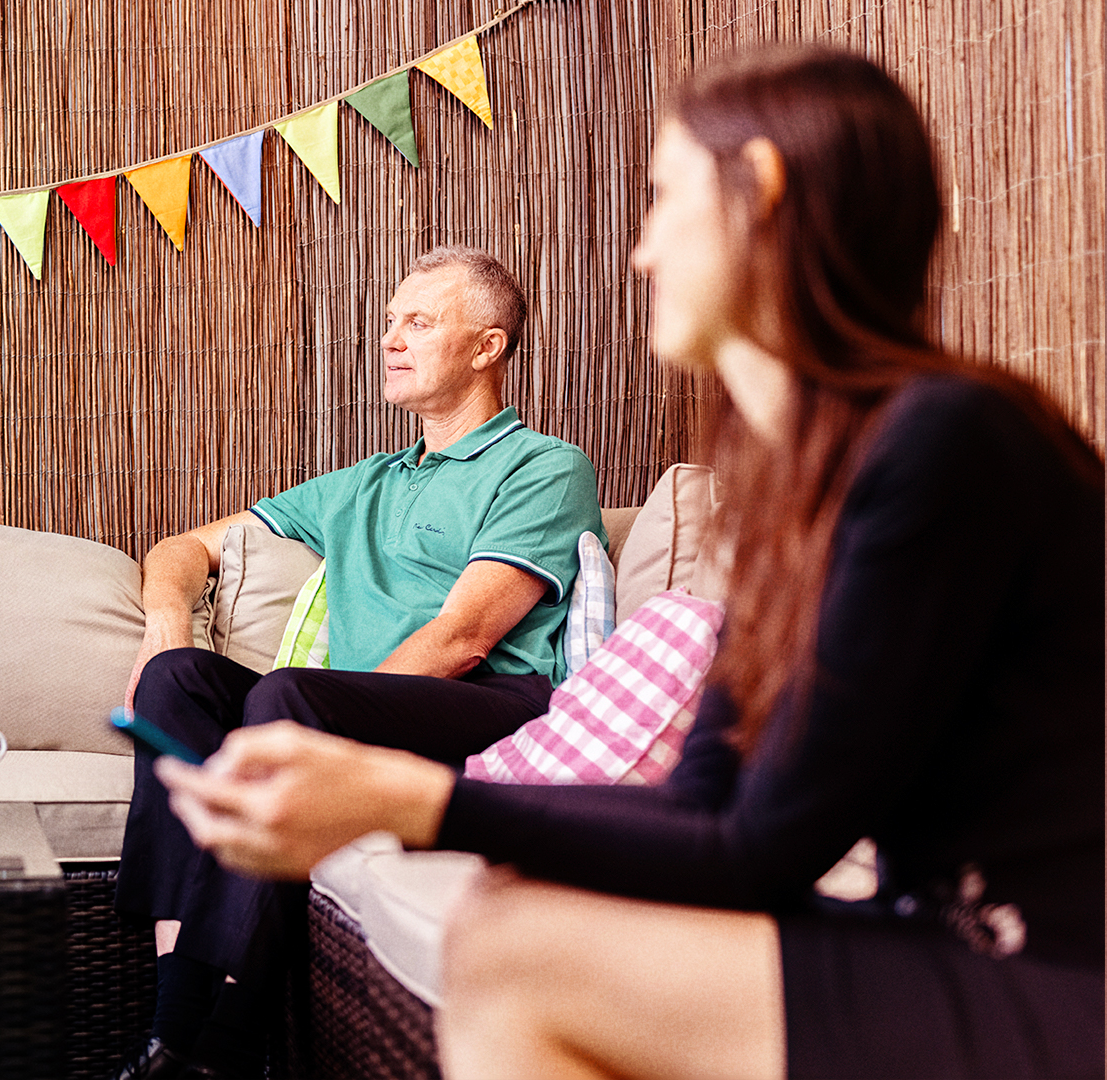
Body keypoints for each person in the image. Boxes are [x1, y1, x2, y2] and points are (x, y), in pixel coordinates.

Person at [155, 46, 1104, 1079]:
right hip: (938, 940)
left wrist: (405, 800)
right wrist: (426, 813)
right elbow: (706, 803)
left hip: (1052, 976)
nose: (643, 253)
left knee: (517, 952)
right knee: (511, 914)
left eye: (663, 198)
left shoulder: (947, 443)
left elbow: (758, 848)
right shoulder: (803, 480)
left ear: (759, 189)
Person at [115, 248, 604, 1078]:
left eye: (419, 322)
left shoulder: (543, 466)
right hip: (344, 708)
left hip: (488, 705)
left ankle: (223, 1042)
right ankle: (174, 1031)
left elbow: (464, 637)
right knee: (178, 681)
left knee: (289, 700)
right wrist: (166, 623)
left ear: (486, 347)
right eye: (388, 322)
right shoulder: (363, 484)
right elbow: (182, 548)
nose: (389, 339)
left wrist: (318, 727)